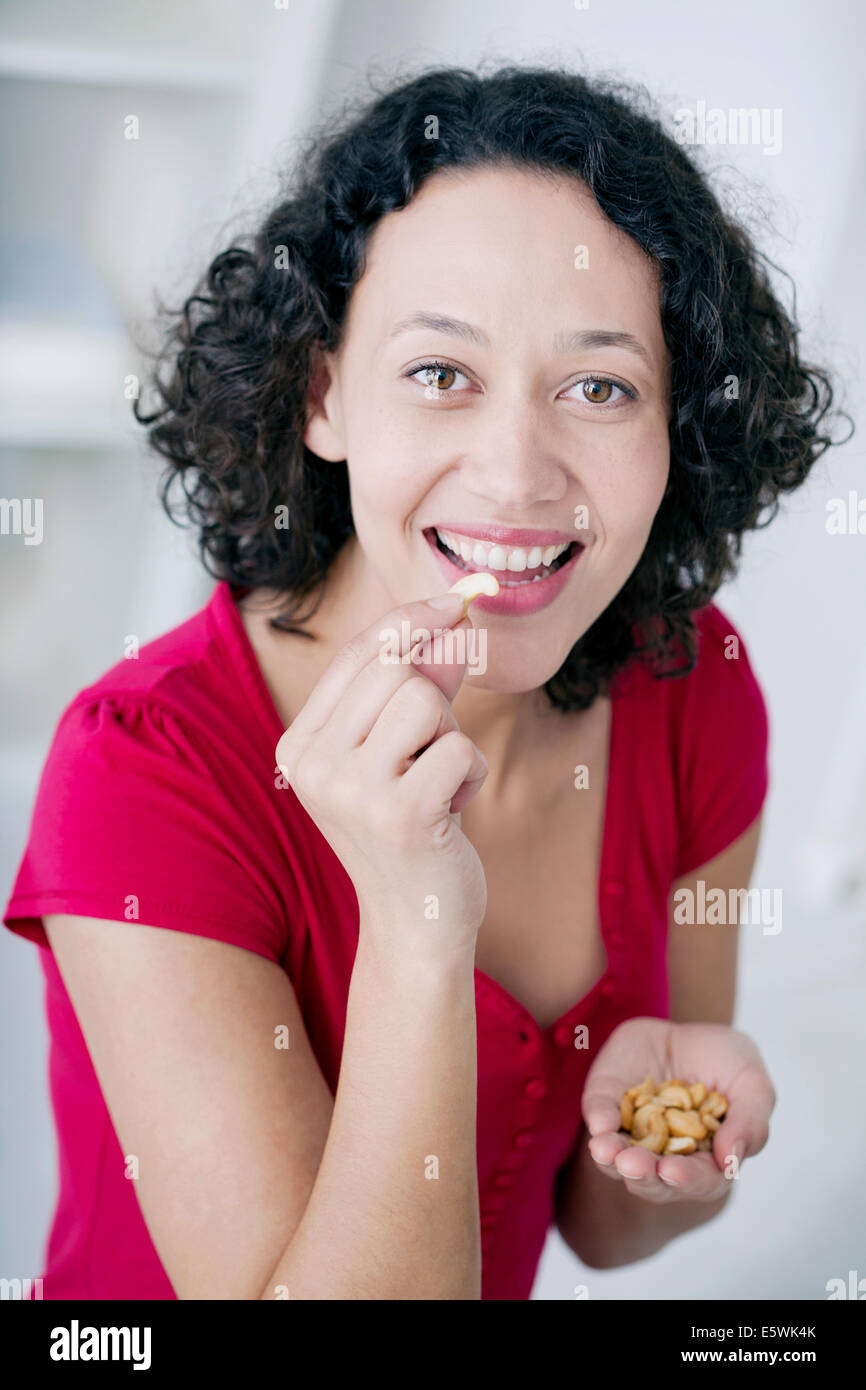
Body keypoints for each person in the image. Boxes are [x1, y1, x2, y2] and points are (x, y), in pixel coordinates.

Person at [4, 64, 845, 1301]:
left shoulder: (693, 687)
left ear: (679, 430)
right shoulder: (141, 769)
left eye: (599, 387)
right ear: (323, 392)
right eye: (440, 373)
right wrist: (413, 924)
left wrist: (685, 1140)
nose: (513, 476)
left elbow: (607, 1226)